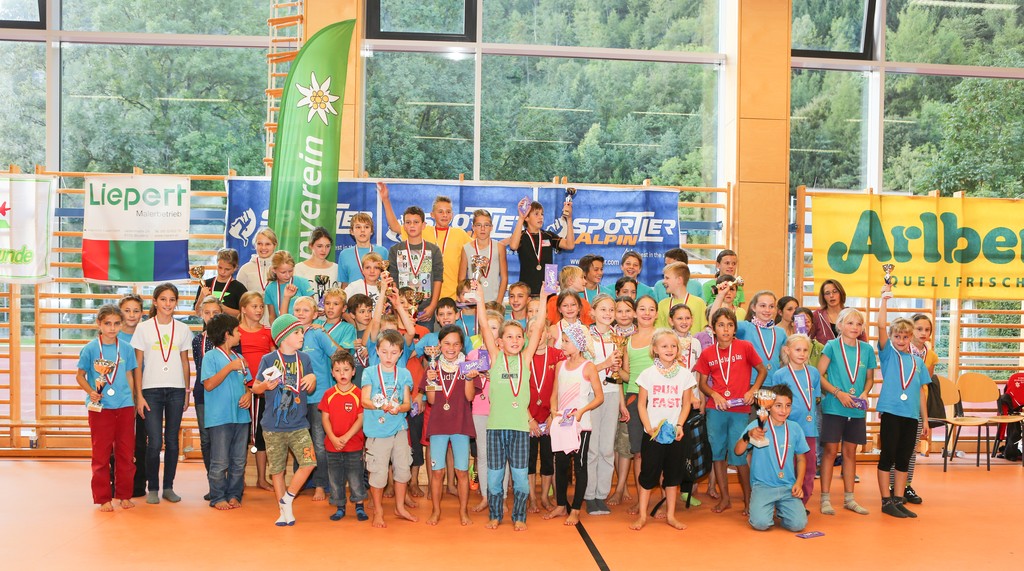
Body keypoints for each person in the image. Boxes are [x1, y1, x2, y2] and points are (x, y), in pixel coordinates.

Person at [476, 278, 549, 530]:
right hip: (496, 428)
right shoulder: (496, 358)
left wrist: (544, 297)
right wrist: (479, 298)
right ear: (500, 341)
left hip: (519, 429)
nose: (515, 340)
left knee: (519, 477)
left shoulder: (526, 359)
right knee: (495, 476)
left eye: (519, 336)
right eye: (509, 336)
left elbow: (538, 328)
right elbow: (484, 325)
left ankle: (519, 516)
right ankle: (495, 515)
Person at [695, 307, 766, 515]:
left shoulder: (745, 347)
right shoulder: (708, 353)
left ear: (735, 328)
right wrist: (714, 394)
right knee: (717, 454)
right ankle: (725, 498)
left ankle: (748, 500)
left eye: (730, 325)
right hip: (716, 409)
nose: (725, 329)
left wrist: (753, 390)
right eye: (721, 325)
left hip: (740, 409)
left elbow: (762, 370)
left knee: (739, 454)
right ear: (713, 329)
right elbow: (702, 383)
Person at [131, 282, 193, 505]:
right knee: (155, 442)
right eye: (163, 299)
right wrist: (139, 395)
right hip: (151, 391)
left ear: (176, 302)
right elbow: (138, 364)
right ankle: (153, 488)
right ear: (155, 302)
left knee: (172, 441)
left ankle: (168, 487)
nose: (168, 303)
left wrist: (187, 391)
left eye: (172, 300)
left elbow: (185, 362)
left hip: (176, 389)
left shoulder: (183, 329)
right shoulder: (143, 328)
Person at [253, 314, 317, 526]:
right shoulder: (268, 359)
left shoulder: (304, 359)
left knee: (309, 462)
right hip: (273, 426)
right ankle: (284, 512)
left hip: (299, 424)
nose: (302, 336)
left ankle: (287, 499)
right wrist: (265, 386)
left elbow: (310, 387)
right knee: (277, 470)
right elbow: (256, 388)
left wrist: (312, 378)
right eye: (297, 332)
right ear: (283, 337)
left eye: (302, 332)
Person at [629, 329, 695, 531]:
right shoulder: (647, 374)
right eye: (664, 346)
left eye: (673, 346)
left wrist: (679, 425)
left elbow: (686, 404)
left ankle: (671, 515)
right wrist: (648, 428)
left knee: (673, 476)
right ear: (655, 349)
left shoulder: (685, 374)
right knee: (648, 475)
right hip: (653, 435)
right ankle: (642, 516)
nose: (669, 349)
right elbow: (641, 404)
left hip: (675, 435)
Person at [76, 305, 139, 512]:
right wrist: (91, 392)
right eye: (108, 323)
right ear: (99, 324)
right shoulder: (90, 348)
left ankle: (124, 495)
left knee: (126, 454)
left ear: (121, 324)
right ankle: (103, 498)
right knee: (101, 455)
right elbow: (80, 376)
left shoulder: (126, 348)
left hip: (125, 406)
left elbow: (129, 375)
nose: (112, 328)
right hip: (100, 408)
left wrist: (132, 400)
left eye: (116, 323)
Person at [876, 285, 931, 518]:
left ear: (911, 337)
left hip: (911, 415)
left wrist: (924, 420)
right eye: (897, 336)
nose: (901, 340)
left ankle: (898, 499)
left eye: (905, 336)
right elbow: (880, 325)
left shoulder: (918, 362)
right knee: (887, 455)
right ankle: (885, 500)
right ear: (891, 337)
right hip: (891, 412)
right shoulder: (888, 354)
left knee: (904, 458)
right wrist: (884, 300)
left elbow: (921, 392)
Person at [816, 307, 876, 516]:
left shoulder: (866, 349)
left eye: (859, 324)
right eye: (850, 323)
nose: (855, 327)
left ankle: (850, 498)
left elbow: (870, 378)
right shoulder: (832, 346)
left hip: (856, 410)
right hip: (834, 407)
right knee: (830, 452)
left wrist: (865, 393)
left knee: (851, 453)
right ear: (839, 325)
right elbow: (818, 375)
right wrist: (837, 393)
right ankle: (825, 498)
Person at [545, 323, 604, 526]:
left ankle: (576, 508)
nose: (562, 345)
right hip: (563, 423)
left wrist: (581, 411)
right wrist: (554, 411)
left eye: (566, 341)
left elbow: (599, 397)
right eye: (562, 340)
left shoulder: (588, 367)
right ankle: (561, 504)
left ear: (578, 344)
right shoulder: (560, 366)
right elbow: (554, 394)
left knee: (579, 465)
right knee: (561, 464)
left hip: (580, 425)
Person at [360, 329, 418, 528]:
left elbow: (408, 404)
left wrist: (398, 408)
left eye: (393, 353)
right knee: (378, 472)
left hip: (399, 428)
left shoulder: (404, 374)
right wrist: (382, 405)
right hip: (377, 432)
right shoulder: (369, 372)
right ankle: (378, 510)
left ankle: (400, 507)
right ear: (377, 350)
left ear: (401, 353)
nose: (388, 357)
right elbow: (364, 400)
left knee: (402, 470)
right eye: (384, 352)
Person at [734, 385, 809, 532]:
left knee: (798, 524)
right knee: (760, 524)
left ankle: (782, 510)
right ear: (768, 406)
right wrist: (748, 435)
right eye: (778, 405)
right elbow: (737, 451)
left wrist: (798, 483)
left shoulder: (795, 428)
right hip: (763, 486)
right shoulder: (757, 425)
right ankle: (765, 508)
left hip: (788, 486)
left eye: (788, 406)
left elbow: (801, 459)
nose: (783, 410)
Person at [423, 325, 478, 526]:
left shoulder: (468, 366)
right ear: (439, 345)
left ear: (462, 346)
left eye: (456, 344)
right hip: (438, 426)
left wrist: (469, 378)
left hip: (460, 426)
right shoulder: (432, 367)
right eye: (447, 343)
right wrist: (430, 381)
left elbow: (470, 397)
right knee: (438, 472)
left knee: (461, 471)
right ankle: (436, 511)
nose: (451, 348)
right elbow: (430, 400)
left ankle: (463, 511)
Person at [380, 186, 471, 301]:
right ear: (432, 214)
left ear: (452, 215)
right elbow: (394, 227)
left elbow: (477, 247)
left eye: (448, 212)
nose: (444, 215)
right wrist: (386, 200)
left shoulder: (460, 234)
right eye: (440, 212)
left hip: (452, 296)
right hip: (427, 296)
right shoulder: (423, 230)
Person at [200, 314, 252, 510]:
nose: (240, 335)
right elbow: (209, 385)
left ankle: (234, 494)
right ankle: (217, 496)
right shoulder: (211, 357)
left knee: (239, 461)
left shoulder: (240, 358)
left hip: (241, 417)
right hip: (220, 418)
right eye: (237, 331)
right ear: (227, 334)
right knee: (220, 461)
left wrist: (248, 394)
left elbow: (247, 384)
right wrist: (229, 367)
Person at [292, 296, 338, 502]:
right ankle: (300, 483)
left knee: (319, 443)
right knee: (299, 442)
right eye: (297, 310)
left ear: (315, 314)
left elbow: (338, 355)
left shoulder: (318, 333)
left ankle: (321, 485)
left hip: (319, 397)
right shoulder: (290, 335)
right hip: (295, 398)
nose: (301, 314)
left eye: (306, 310)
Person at [768, 334, 820, 505]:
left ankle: (801, 503)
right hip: (787, 429)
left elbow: (815, 398)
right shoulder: (779, 374)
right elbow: (775, 402)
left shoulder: (813, 373)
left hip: (809, 429)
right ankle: (784, 503)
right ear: (787, 350)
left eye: (805, 350)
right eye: (798, 349)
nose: (802, 354)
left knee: (809, 467)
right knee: (787, 465)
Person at [617, 295, 658, 514]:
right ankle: (641, 499)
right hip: (634, 397)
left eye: (651, 309)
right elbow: (627, 374)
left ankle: (661, 499)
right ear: (635, 313)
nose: (646, 313)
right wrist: (615, 368)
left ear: (657, 314)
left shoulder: (662, 336)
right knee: (638, 452)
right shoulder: (627, 341)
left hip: (658, 398)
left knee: (660, 450)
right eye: (642, 308)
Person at [584, 294, 623, 515]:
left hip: (612, 393)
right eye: (603, 310)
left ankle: (601, 494)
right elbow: (583, 370)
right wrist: (605, 364)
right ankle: (589, 495)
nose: (608, 314)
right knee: (592, 448)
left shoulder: (618, 337)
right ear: (593, 312)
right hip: (591, 395)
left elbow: (617, 374)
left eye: (611, 310)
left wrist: (622, 402)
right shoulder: (586, 336)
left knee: (607, 448)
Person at [319, 348, 368, 521]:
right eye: (338, 370)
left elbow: (361, 418)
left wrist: (346, 437)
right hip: (333, 446)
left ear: (353, 371)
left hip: (353, 445)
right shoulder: (328, 394)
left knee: (355, 476)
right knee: (335, 478)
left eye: (346, 369)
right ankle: (340, 506)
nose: (342, 374)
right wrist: (333, 438)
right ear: (332, 373)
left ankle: (359, 505)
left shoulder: (359, 394)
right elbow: (325, 418)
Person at [897, 313, 938, 504]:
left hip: (918, 406)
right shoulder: (900, 350)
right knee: (896, 448)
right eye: (919, 329)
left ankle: (906, 485)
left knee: (911, 448)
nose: (923, 333)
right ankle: (893, 485)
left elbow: (924, 385)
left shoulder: (931, 356)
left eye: (927, 330)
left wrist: (925, 416)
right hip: (899, 405)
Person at [525, 316, 565, 513]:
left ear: (548, 333)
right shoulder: (523, 357)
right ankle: (532, 497)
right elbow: (516, 392)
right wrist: (529, 418)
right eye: (533, 330)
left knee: (549, 460)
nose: (538, 335)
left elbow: (563, 387)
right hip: (528, 419)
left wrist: (553, 414)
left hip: (550, 417)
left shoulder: (558, 356)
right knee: (529, 461)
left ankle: (544, 497)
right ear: (527, 334)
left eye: (541, 330)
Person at [237, 291, 275, 491]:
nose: (259, 310)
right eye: (254, 306)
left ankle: (261, 478)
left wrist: (269, 384)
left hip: (262, 391)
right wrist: (244, 387)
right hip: (241, 390)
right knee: (241, 435)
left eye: (261, 306)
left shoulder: (267, 332)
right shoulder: (235, 332)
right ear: (243, 309)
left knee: (262, 434)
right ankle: (239, 478)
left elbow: (275, 361)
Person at [470, 309, 507, 513]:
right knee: (483, 455)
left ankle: (502, 496)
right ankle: (485, 495)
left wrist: (497, 379)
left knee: (502, 455)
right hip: (479, 409)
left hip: (501, 411)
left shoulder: (505, 355)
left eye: (494, 328)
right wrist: (472, 376)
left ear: (500, 332)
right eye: (487, 327)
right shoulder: (473, 355)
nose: (489, 331)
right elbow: (466, 385)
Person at [668, 302, 705, 506]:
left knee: (689, 447)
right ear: (671, 321)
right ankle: (668, 489)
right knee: (673, 446)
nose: (684, 322)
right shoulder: (668, 340)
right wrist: (687, 396)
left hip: (693, 399)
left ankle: (686, 490)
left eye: (687, 318)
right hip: (673, 400)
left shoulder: (696, 343)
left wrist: (699, 396)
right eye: (679, 318)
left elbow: (697, 372)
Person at [387, 205, 444, 329]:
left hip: (425, 310)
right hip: (402, 309)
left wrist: (432, 306)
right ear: (404, 226)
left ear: (423, 225)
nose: (412, 226)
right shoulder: (395, 250)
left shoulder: (433, 250)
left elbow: (438, 279)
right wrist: (397, 306)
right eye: (408, 222)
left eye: (416, 222)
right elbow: (393, 278)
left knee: (424, 339)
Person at [508, 200, 575, 295]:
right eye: (536, 214)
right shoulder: (521, 236)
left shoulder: (548, 235)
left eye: (542, 214)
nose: (541, 217)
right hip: (527, 291)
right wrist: (521, 218)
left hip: (548, 289)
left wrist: (569, 219)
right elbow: (513, 246)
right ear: (527, 217)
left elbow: (570, 245)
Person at [607, 295, 637, 506]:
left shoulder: (639, 336)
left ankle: (621, 485)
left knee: (626, 443)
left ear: (634, 313)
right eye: (619, 311)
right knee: (613, 442)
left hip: (632, 392)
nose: (624, 315)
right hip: (611, 391)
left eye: (628, 310)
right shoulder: (607, 335)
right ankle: (622, 484)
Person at [192, 296, 223, 495]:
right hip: (203, 393)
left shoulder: (229, 338)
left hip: (223, 394)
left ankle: (225, 481)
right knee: (206, 439)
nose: (211, 317)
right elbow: (199, 366)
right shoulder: (197, 340)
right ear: (201, 315)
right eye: (207, 313)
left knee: (222, 438)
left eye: (215, 313)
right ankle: (213, 484)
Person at [117, 294, 147, 498]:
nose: (131, 315)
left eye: (136, 311)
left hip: (144, 394)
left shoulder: (146, 334)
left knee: (141, 441)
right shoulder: (113, 335)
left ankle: (138, 484)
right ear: (120, 312)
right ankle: (117, 482)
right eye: (127, 311)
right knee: (118, 441)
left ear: (142, 313)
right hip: (119, 397)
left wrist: (140, 394)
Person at [460, 209, 508, 305]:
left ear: (491, 227)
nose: (482, 229)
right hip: (473, 303)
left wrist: (498, 303)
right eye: (478, 225)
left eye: (486, 225)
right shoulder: (466, 248)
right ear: (473, 227)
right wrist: (468, 300)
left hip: (495, 302)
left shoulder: (499, 247)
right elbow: (461, 280)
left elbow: (504, 278)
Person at [737, 291, 787, 377]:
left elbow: (787, 359)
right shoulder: (745, 327)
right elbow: (716, 322)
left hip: (774, 380)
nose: (767, 310)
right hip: (751, 381)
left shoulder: (781, 332)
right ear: (753, 307)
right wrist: (721, 296)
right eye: (763, 306)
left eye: (771, 306)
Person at [236, 228, 278, 326]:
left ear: (275, 245)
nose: (263, 247)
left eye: (268, 244)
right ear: (255, 245)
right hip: (251, 324)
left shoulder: (281, 268)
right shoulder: (245, 269)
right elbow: (240, 300)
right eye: (259, 244)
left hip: (276, 323)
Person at [337, 212, 389, 288]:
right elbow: (344, 284)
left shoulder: (382, 252)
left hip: (377, 294)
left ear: (371, 231)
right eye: (358, 227)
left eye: (366, 227)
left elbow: (387, 280)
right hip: (353, 295)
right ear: (351, 231)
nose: (362, 230)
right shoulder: (344, 254)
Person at [294, 226, 340, 307]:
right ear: (311, 245)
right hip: (306, 313)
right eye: (319, 246)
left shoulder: (336, 268)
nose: (324, 250)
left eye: (327, 246)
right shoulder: (299, 268)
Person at [193, 247, 247, 317]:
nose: (222, 272)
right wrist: (201, 297)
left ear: (235, 268)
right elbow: (198, 313)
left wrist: (221, 307)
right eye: (220, 267)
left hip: (229, 324)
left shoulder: (239, 288)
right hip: (209, 324)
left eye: (227, 269)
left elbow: (245, 314)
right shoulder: (205, 284)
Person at [655, 262, 707, 332]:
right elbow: (658, 333)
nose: (663, 281)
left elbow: (704, 331)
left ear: (679, 280)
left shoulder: (699, 303)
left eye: (667, 278)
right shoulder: (662, 304)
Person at [264, 250, 314, 322]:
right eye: (283, 272)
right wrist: (276, 328)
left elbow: (312, 309)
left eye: (290, 271)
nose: (287, 275)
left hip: (303, 326)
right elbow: (272, 316)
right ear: (274, 270)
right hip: (283, 326)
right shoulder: (270, 289)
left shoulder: (302, 282)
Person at [812, 279, 866, 345]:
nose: (831, 295)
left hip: (849, 351)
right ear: (823, 297)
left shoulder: (851, 314)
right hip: (825, 351)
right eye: (827, 293)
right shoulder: (817, 315)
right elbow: (807, 339)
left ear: (841, 293)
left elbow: (863, 341)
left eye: (835, 292)